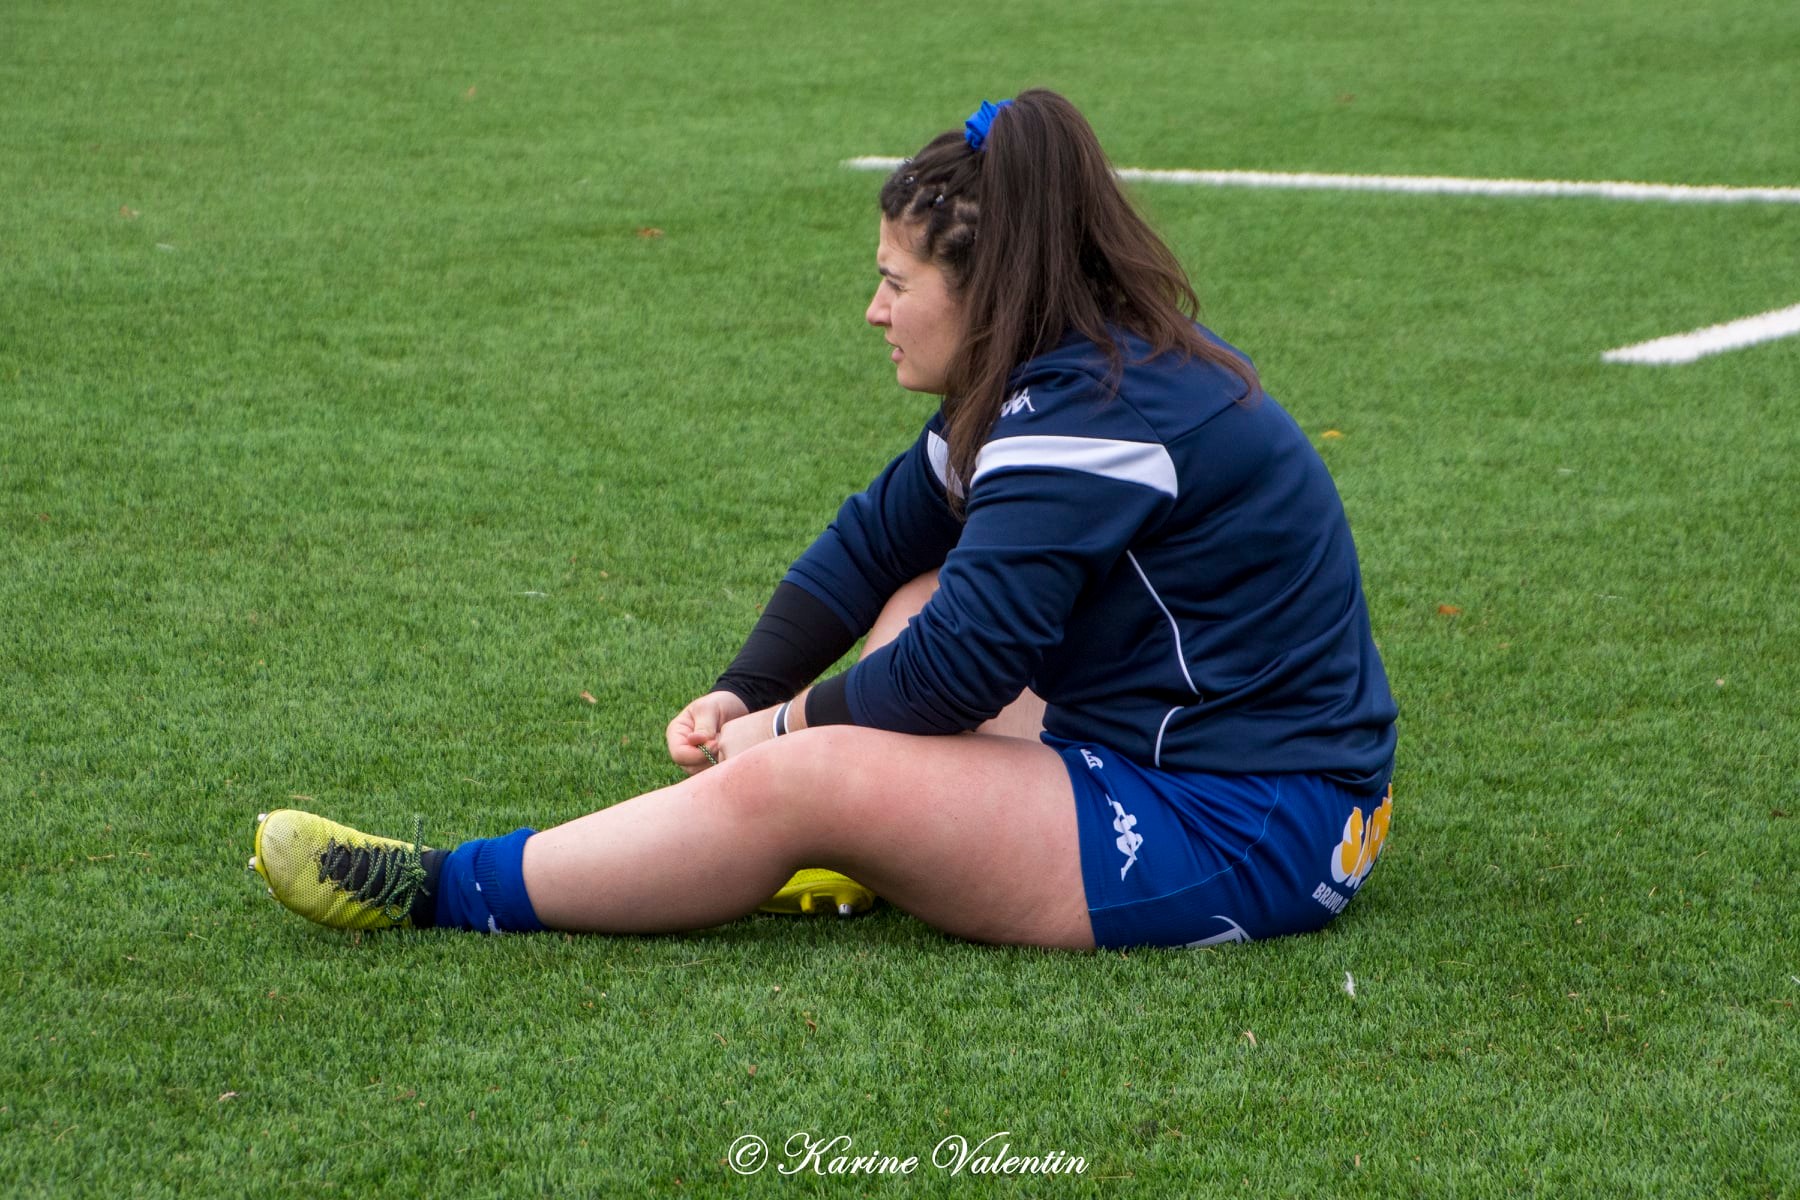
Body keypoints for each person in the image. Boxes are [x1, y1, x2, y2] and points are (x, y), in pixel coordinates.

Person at [252, 90, 1397, 951]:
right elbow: (875, 543)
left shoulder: (1086, 417)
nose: (873, 310)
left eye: (897, 283)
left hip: (1254, 824)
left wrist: (783, 731)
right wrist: (743, 687)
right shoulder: (1065, 373)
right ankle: (842, 849)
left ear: (987, 290)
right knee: (913, 595)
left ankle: (439, 888)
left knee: (807, 773)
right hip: (1199, 756)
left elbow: (961, 671)